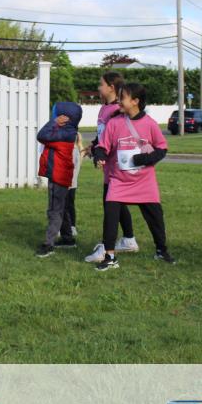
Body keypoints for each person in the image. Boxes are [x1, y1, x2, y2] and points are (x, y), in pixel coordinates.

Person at [92, 83, 174, 270]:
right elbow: (103, 146)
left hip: (145, 182)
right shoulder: (114, 123)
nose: (119, 101)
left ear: (135, 101)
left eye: (123, 98)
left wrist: (143, 158)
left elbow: (162, 149)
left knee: (155, 217)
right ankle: (110, 257)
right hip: (118, 181)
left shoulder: (150, 124)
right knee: (110, 216)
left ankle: (161, 250)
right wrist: (99, 156)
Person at [85, 71, 139, 263]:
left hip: (116, 166)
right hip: (107, 165)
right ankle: (129, 240)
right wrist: (93, 146)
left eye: (101, 84)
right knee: (117, 202)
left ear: (111, 87)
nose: (99, 87)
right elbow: (103, 134)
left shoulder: (117, 110)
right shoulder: (104, 109)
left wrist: (102, 153)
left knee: (110, 205)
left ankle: (106, 248)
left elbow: (117, 137)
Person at [35, 102, 83, 258]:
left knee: (54, 210)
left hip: (57, 176)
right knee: (62, 207)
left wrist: (53, 122)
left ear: (64, 118)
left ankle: (48, 244)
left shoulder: (62, 135)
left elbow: (41, 135)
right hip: (62, 175)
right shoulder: (69, 132)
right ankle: (68, 238)